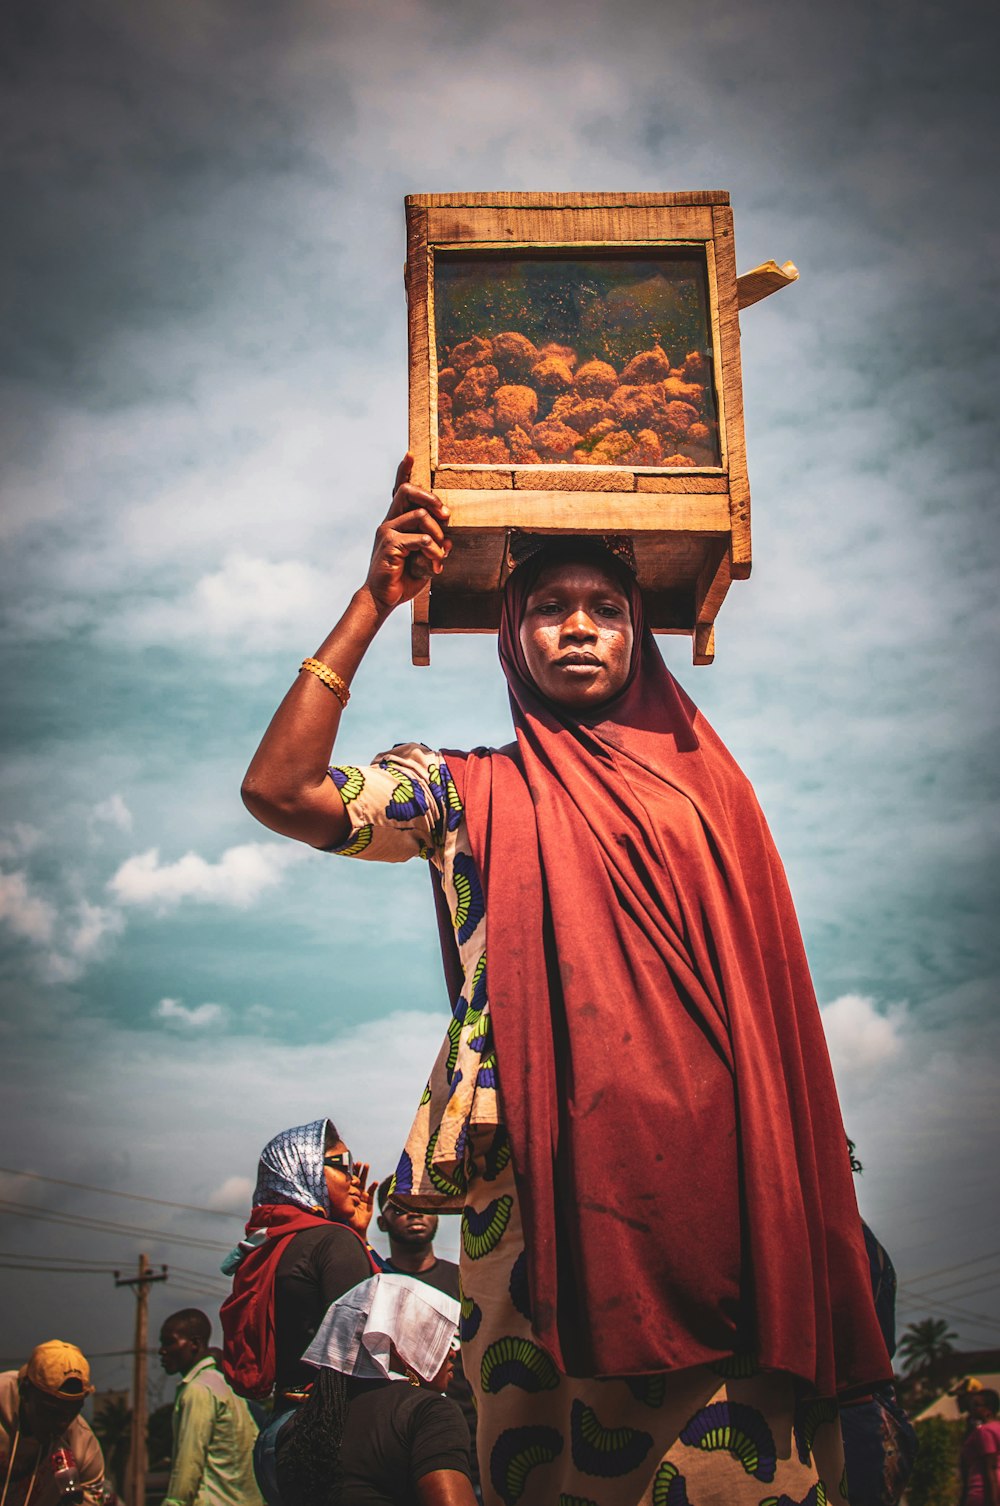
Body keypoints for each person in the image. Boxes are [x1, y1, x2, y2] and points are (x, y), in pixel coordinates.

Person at [240, 457, 893, 1505]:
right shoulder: (460, 791)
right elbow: (281, 790)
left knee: (731, 1473)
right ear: (510, 636)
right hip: (532, 1190)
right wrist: (372, 601)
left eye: (603, 608)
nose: (578, 626)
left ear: (639, 632)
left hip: (723, 1193)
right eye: (548, 607)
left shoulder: (709, 795)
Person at [264, 1272, 475, 1506]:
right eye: (435, 1335)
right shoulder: (427, 1413)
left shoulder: (297, 1427)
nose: (452, 1351)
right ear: (396, 1346)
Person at [376, 1180, 478, 1493]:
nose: (413, 1213)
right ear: (382, 1221)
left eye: (420, 1204)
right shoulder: (376, 1285)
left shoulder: (468, 1281)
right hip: (401, 1448)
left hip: (472, 1442)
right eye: (399, 1207)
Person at [158, 1308, 263, 1506]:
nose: (161, 1351)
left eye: (169, 1342)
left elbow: (189, 1462)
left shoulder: (198, 1390)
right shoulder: (225, 1385)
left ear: (195, 1344)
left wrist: (174, 1502)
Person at [0, 1342, 105, 1506]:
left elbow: (96, 1499)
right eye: (51, 1411)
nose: (62, 1424)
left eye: (72, 1412)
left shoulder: (83, 1446)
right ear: (25, 1391)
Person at [960, 1389, 1000, 1506]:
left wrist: (994, 1501)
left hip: (983, 1490)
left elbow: (990, 1466)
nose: (972, 1409)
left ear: (988, 1409)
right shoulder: (997, 1427)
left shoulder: (985, 1431)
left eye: (977, 1405)